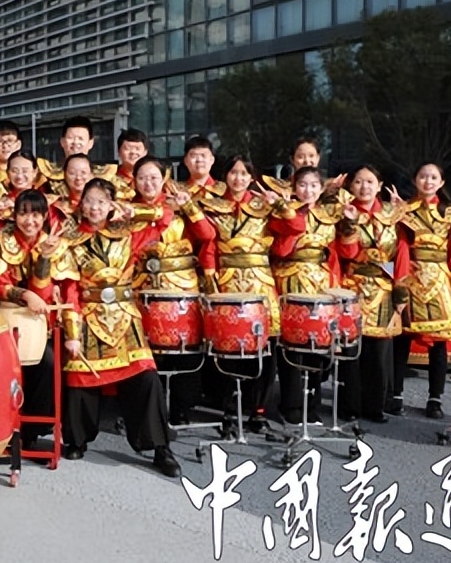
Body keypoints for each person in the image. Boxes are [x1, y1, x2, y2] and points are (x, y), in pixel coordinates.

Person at [52, 178, 179, 476]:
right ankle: (77, 439)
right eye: (89, 201)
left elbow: (165, 216)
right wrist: (72, 334)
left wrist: (134, 211)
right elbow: (69, 289)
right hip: (89, 315)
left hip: (125, 317)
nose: (94, 207)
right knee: (80, 377)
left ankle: (161, 447)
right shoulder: (69, 240)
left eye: (101, 202)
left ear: (112, 205)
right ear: (81, 204)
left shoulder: (127, 234)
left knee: (146, 377)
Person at [392, 162, 451, 419]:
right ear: (415, 180)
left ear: (441, 182)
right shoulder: (405, 213)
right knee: (402, 337)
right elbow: (401, 249)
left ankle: (435, 398)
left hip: (440, 280)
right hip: (412, 278)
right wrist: (399, 285)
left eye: (433, 177)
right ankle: (395, 393)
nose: (428, 181)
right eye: (423, 176)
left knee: (439, 341)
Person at [268, 166, 357, 424]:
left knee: (319, 343)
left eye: (314, 185)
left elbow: (347, 252)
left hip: (321, 281)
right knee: (293, 344)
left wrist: (350, 224)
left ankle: (312, 402)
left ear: (321, 189)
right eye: (303, 185)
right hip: (291, 279)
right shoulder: (284, 212)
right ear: (294, 187)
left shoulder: (330, 214)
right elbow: (281, 251)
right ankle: (291, 405)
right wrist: (289, 219)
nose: (308, 190)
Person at [197, 155, 281, 427]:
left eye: (244, 173)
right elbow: (209, 245)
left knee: (264, 347)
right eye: (233, 172)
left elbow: (290, 230)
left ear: (251, 177)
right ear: (225, 176)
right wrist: (211, 281)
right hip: (228, 281)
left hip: (260, 282)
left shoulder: (263, 204)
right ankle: (230, 409)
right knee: (230, 347)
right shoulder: (214, 206)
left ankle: (258, 409)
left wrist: (280, 206)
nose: (238, 178)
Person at [129, 156, 214, 425]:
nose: (148, 183)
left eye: (154, 177)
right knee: (147, 351)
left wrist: (188, 207)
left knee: (184, 347)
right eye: (142, 177)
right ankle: (146, 409)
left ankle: (181, 406)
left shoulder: (179, 204)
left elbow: (207, 235)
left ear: (164, 179)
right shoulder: (129, 210)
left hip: (181, 286)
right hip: (143, 287)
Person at [0, 189, 62, 446]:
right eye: (23, 214)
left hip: (37, 322)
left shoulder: (52, 242)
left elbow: (44, 292)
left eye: (36, 215)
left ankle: (31, 430)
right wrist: (26, 295)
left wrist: (45, 259)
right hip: (3, 318)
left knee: (47, 364)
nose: (30, 221)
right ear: (14, 215)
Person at [336, 166, 401, 424]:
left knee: (380, 351)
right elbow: (346, 253)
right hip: (354, 284)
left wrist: (401, 294)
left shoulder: (392, 213)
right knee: (351, 348)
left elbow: (403, 253)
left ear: (379, 184)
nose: (364, 187)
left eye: (370, 181)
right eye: (359, 182)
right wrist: (350, 223)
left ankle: (376, 405)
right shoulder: (345, 211)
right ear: (351, 186)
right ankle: (350, 404)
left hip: (384, 287)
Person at [111, 128, 148, 201]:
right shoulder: (110, 177)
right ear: (118, 152)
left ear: (145, 152)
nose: (133, 152)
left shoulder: (156, 178)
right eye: (127, 148)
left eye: (137, 149)